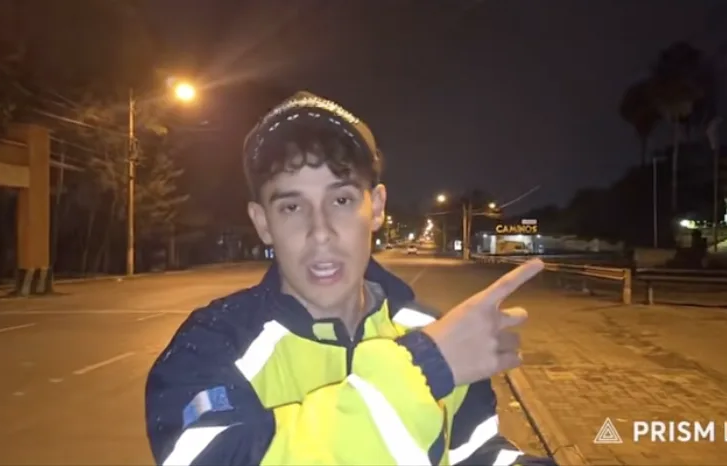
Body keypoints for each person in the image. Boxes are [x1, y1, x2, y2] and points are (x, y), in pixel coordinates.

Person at [144, 91, 556, 466]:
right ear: (262, 222)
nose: (320, 231)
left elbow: (473, 454)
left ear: (375, 207)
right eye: (291, 207)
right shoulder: (211, 346)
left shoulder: (431, 331)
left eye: (340, 200)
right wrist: (424, 369)